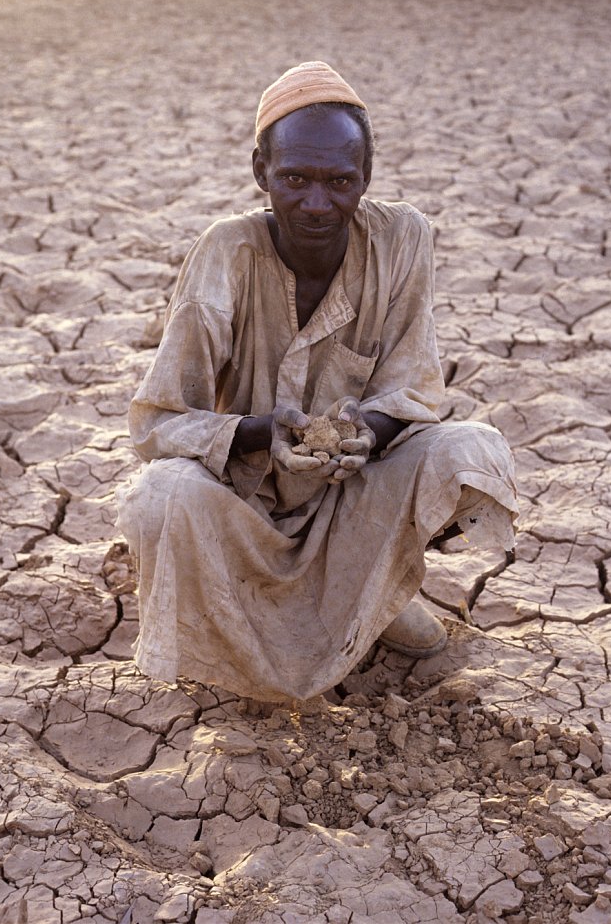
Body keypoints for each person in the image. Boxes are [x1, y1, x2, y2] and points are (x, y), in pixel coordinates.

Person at [116, 61, 518, 704]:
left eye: (340, 181)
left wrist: (368, 432)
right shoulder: (227, 252)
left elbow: (415, 383)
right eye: (294, 178)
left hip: (354, 493)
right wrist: (259, 432)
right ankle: (258, 639)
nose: (317, 202)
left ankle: (376, 595)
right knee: (158, 495)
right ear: (260, 173)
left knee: (471, 451)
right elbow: (158, 422)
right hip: (245, 500)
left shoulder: (402, 238)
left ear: (366, 178)